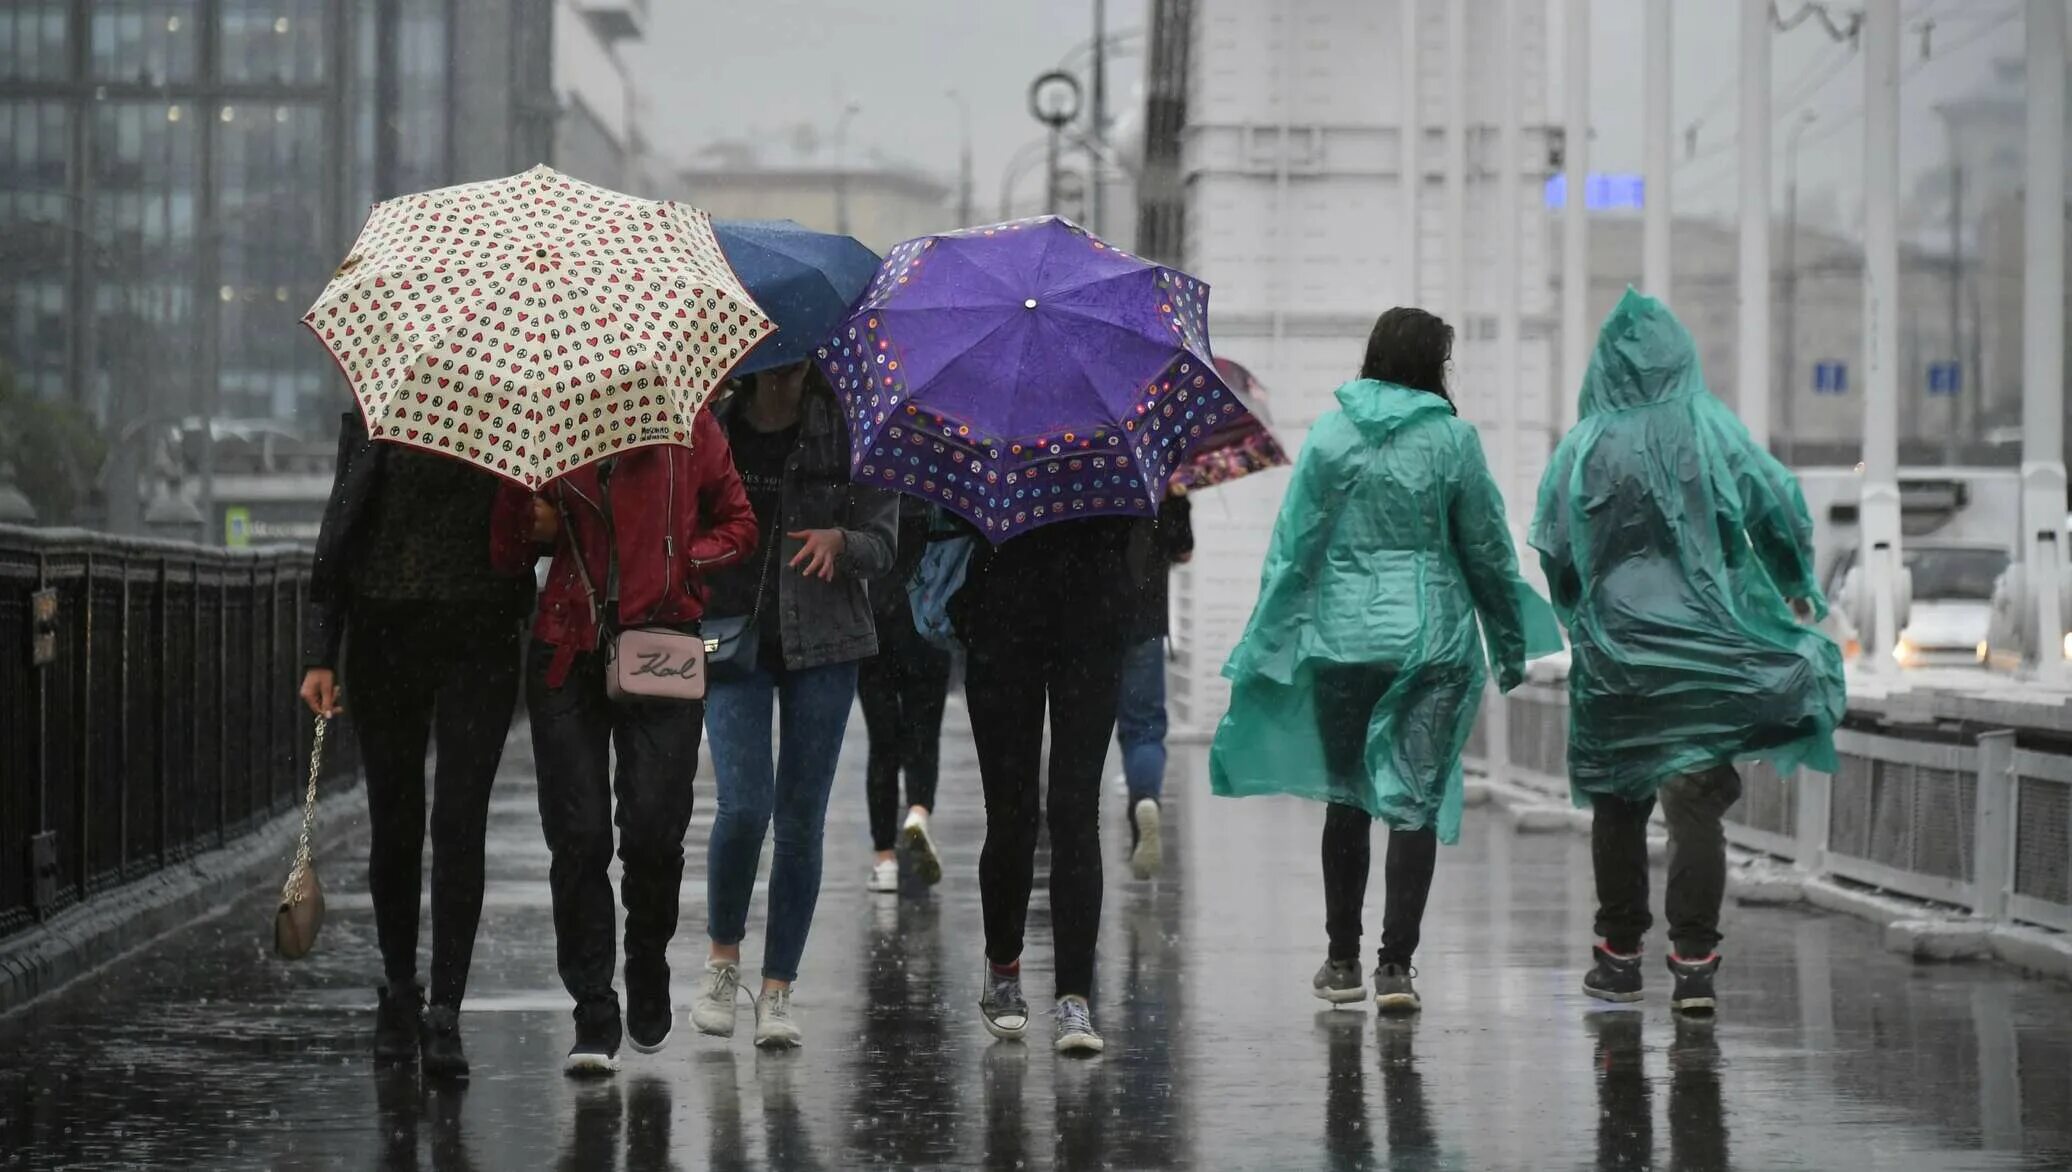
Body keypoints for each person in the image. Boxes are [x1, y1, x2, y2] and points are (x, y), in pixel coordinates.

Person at [1210, 307, 1556, 1014]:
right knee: (1414, 800)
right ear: (1434, 365)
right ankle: (1396, 966)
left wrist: (1265, 638)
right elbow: (1487, 550)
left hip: (1342, 641)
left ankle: (1341, 962)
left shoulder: (1331, 435)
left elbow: (1295, 544)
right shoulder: (1453, 442)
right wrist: (1511, 644)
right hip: (1431, 640)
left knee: (1348, 796)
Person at [1530, 289, 1845, 1014]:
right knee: (1694, 806)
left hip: (1616, 655)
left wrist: (1581, 609)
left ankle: (1616, 956)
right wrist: (1794, 580)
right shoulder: (1709, 430)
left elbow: (1553, 549)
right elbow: (1778, 501)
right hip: (1703, 647)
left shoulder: (1583, 445)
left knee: (1618, 802)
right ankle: (1694, 960)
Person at [298, 414, 537, 1079]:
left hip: (481, 634)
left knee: (458, 823)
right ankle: (401, 993)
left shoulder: (514, 409)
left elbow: (541, 522)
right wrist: (321, 652)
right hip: (385, 632)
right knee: (395, 822)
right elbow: (340, 528)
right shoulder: (378, 408)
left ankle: (446, 1012)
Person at [526, 409, 758, 1076]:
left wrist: (681, 558)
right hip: (567, 644)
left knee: (654, 831)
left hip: (662, 641)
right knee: (578, 835)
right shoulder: (552, 417)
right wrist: (526, 516)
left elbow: (739, 525)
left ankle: (646, 956)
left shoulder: (690, 424)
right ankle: (593, 1008)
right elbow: (513, 542)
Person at [690, 360, 898, 1049]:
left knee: (800, 820)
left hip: (827, 642)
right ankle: (723, 963)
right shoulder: (709, 425)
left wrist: (846, 544)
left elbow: (885, 541)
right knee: (743, 806)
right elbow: (678, 525)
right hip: (732, 637)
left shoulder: (848, 429)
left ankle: (778, 991)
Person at [955, 513, 1137, 1055]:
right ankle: (1004, 965)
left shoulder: (1114, 433)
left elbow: (1142, 524)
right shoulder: (984, 430)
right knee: (1012, 814)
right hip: (1001, 616)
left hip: (1093, 617)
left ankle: (1074, 997)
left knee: (1076, 810)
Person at [857, 494, 954, 894]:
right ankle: (917, 811)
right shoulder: (939, 488)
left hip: (874, 625)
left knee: (882, 743)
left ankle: (884, 859)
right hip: (927, 622)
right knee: (924, 734)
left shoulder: (872, 486)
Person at [1116, 484, 1195, 880]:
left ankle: (1079, 843)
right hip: (1144, 622)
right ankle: (1145, 798)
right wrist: (1176, 501)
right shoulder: (1161, 478)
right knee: (1144, 729)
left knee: (1081, 738)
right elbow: (1183, 550)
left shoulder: (1085, 469)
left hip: (1091, 623)